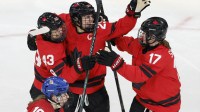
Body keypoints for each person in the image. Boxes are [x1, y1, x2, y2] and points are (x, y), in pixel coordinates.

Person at [27, 0, 151, 112]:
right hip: (69, 90)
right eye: (86, 18)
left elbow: (121, 27)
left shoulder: (94, 26)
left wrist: (132, 13)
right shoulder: (56, 39)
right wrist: (34, 34)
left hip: (96, 88)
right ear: (75, 19)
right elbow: (64, 77)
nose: (91, 20)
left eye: (92, 16)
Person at [96, 17, 181, 112]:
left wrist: (115, 61)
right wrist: (110, 31)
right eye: (143, 32)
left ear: (156, 37)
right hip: (143, 99)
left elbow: (139, 75)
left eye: (147, 34)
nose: (142, 35)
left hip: (164, 105)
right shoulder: (143, 44)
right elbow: (127, 43)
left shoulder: (161, 54)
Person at [27, 12, 96, 112]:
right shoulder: (49, 52)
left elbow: (65, 17)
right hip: (47, 91)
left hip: (50, 87)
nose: (60, 32)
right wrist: (80, 65)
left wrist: (89, 19)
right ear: (47, 33)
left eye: (60, 27)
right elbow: (64, 77)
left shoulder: (45, 33)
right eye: (55, 31)